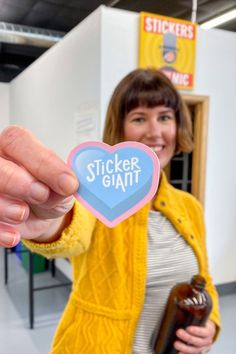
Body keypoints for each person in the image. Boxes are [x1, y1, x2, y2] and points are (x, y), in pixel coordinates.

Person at [0, 68, 220, 354]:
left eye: (165, 117)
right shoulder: (96, 194)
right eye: (139, 118)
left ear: (179, 126)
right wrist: (49, 220)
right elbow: (74, 228)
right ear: (120, 128)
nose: (155, 132)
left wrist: (210, 324)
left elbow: (204, 279)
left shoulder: (190, 206)